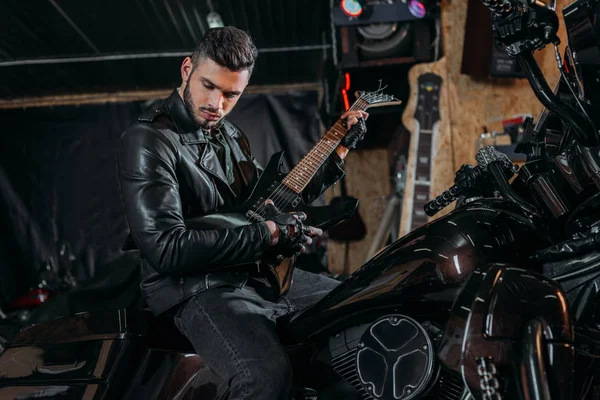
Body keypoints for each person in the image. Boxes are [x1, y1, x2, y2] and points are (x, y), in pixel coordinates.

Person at [117, 26, 368, 399]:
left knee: (361, 304)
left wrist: (338, 153)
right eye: (208, 86)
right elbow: (166, 249)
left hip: (254, 271)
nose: (217, 104)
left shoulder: (230, 135)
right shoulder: (149, 140)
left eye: (231, 94)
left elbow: (275, 201)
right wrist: (268, 235)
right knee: (265, 378)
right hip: (194, 286)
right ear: (187, 69)